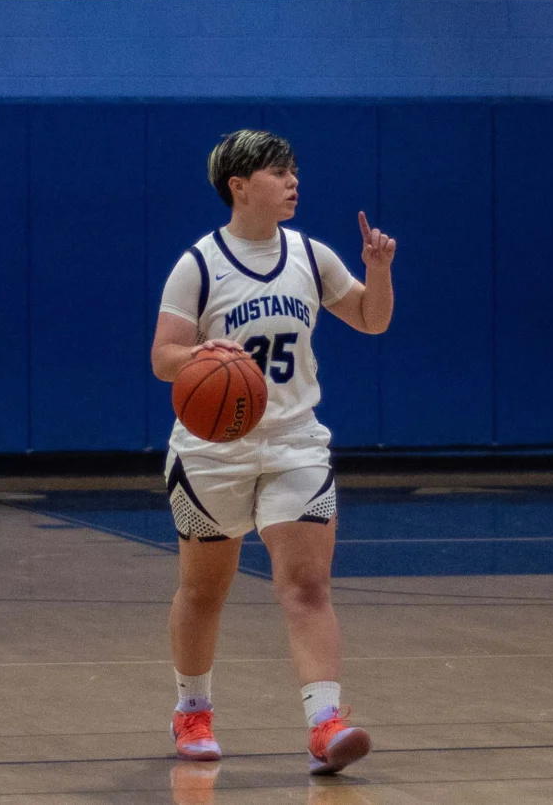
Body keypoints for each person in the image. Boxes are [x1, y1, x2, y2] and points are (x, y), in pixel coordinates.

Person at [150, 129, 395, 775]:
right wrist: (202, 354)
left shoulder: (312, 256)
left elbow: (372, 319)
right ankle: (192, 710)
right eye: (278, 172)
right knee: (204, 590)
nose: (293, 182)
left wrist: (378, 270)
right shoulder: (199, 265)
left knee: (307, 586)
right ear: (239, 186)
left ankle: (325, 723)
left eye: (294, 171)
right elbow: (163, 358)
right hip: (213, 452)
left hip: (294, 444)